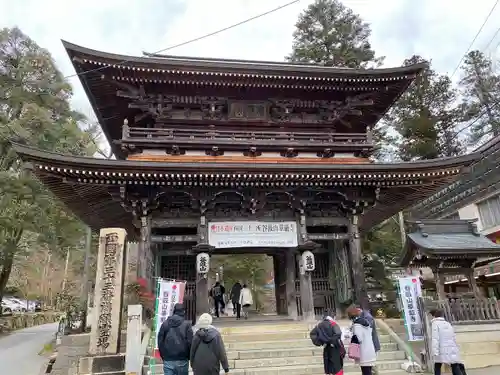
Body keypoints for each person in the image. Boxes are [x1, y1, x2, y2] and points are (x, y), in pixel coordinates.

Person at [157, 303, 193, 375]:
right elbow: (190, 342)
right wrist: (189, 356)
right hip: (182, 359)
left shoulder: (165, 324)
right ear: (183, 312)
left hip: (168, 359)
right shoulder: (187, 325)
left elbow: (160, 341)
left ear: (174, 311)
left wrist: (163, 356)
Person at [430, 309, 465, 375]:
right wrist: (456, 348)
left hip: (441, 349)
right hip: (451, 348)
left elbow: (435, 338)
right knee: (454, 365)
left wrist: (435, 351)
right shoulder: (447, 323)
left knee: (437, 365)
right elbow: (453, 337)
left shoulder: (435, 324)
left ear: (433, 316)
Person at [310, 310, 345, 375]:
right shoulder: (333, 324)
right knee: (336, 366)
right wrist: (331, 340)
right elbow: (338, 334)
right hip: (335, 347)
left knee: (328, 365)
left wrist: (320, 342)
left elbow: (313, 334)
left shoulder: (319, 325)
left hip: (326, 347)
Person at [347, 307, 376, 375]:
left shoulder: (357, 325)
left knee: (365, 372)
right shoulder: (366, 322)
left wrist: (350, 336)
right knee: (368, 371)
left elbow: (359, 338)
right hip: (370, 350)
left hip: (364, 352)